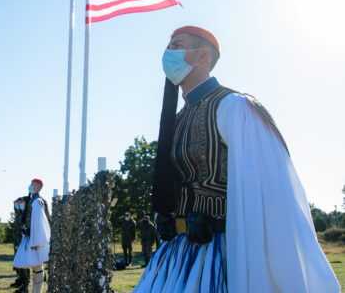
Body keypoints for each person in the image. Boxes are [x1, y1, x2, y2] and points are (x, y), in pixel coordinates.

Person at [134, 26, 340, 292]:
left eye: (177, 45)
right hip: (178, 253)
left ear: (203, 57)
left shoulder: (235, 107)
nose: (168, 53)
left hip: (221, 251)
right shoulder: (179, 118)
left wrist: (218, 219)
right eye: (168, 47)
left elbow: (271, 193)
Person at [13, 178, 51, 293]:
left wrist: (37, 240)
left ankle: (37, 290)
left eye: (33, 185)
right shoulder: (29, 200)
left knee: (38, 265)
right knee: (34, 265)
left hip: (37, 237)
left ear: (39, 187)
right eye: (31, 184)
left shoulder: (39, 201)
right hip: (29, 236)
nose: (30, 186)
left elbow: (41, 222)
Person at [11, 196, 30, 291]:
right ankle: (21, 281)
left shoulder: (26, 215)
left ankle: (25, 286)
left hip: (23, 241)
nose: (18, 205)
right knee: (18, 264)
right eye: (17, 204)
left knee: (24, 264)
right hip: (17, 240)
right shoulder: (18, 214)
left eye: (20, 203)